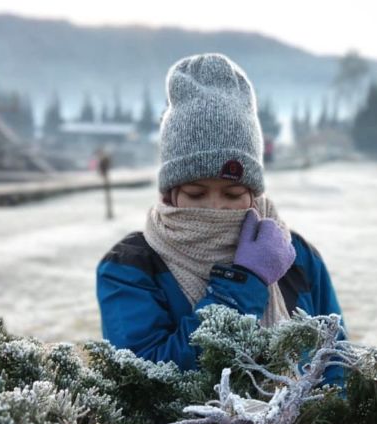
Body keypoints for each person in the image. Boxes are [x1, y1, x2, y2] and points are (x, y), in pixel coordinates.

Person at [96, 53, 346, 387]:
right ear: (170, 194)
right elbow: (146, 381)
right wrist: (244, 285)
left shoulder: (294, 254)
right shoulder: (130, 267)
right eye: (197, 194)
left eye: (232, 195)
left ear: (253, 196)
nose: (215, 208)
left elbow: (336, 365)